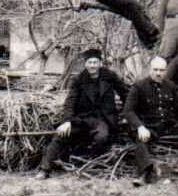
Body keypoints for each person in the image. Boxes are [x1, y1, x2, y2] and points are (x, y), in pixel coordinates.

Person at [35, 49, 129, 180]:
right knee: (61, 135)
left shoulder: (110, 76)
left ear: (100, 63)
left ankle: (87, 161)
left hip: (103, 119)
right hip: (82, 118)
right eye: (89, 62)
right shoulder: (79, 79)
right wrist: (67, 121)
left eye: (95, 62)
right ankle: (44, 169)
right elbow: (70, 101)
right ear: (85, 64)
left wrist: (128, 113)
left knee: (102, 137)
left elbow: (125, 94)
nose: (92, 65)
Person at [123, 57, 178, 184]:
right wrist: (140, 126)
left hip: (168, 125)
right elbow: (128, 111)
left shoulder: (171, 86)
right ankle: (144, 173)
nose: (158, 73)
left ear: (165, 71)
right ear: (149, 70)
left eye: (161, 70)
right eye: (155, 70)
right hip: (148, 126)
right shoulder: (138, 87)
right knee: (141, 141)